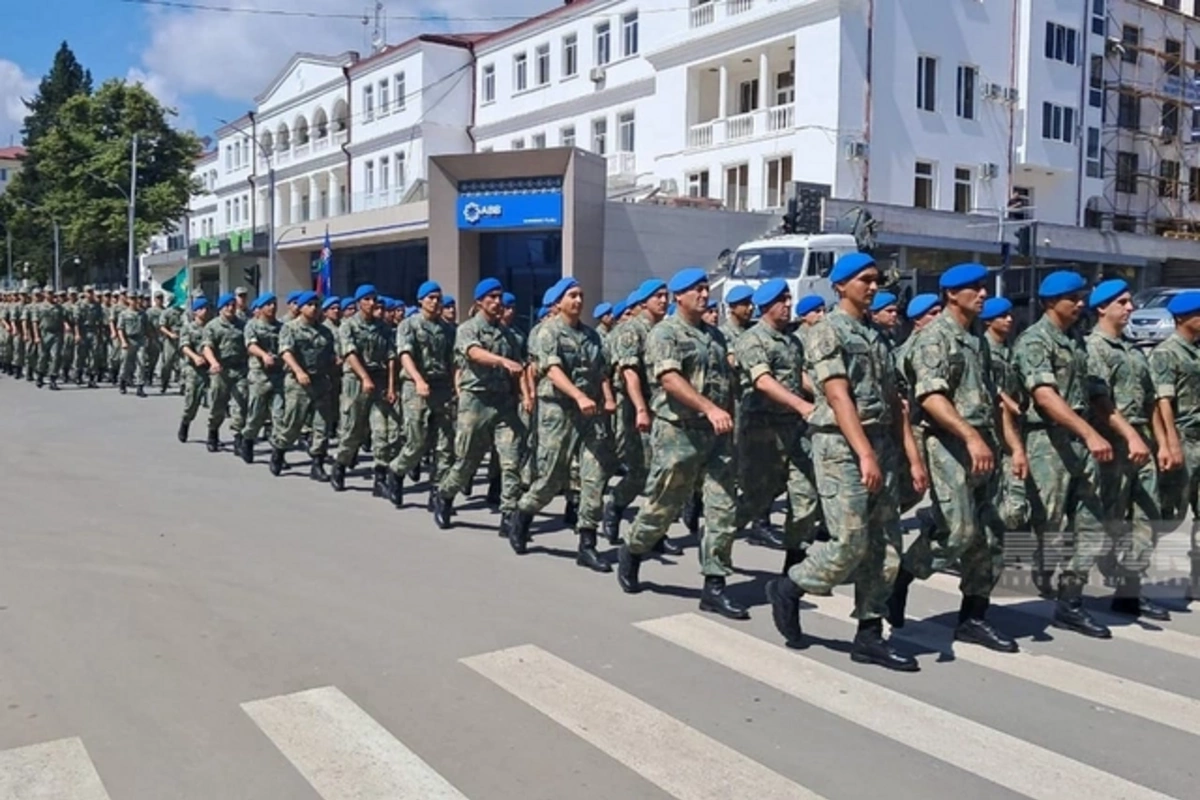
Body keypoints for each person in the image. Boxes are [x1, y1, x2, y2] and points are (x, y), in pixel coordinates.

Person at [765, 252, 922, 672]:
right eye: (863, 280)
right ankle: (790, 586)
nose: (872, 286)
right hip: (841, 447)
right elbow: (837, 395)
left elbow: (895, 402)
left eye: (875, 279)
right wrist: (864, 453)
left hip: (881, 444)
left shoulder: (877, 336)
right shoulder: (826, 331)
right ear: (840, 286)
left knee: (886, 545)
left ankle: (869, 635)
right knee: (849, 543)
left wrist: (912, 458)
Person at [887, 263, 1021, 653]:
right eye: (974, 288)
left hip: (983, 444)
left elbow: (993, 400)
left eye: (983, 287)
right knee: (958, 532)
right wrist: (971, 437)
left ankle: (973, 618)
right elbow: (931, 397)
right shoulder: (934, 338)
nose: (983, 294)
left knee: (990, 535)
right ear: (951, 294)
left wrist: (1013, 448)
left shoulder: (976, 340)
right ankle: (901, 577)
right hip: (948, 444)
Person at [617, 268, 746, 620]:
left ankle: (715, 586)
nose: (704, 295)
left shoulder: (715, 336)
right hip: (678, 433)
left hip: (716, 436)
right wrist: (709, 408)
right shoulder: (665, 333)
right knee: (664, 505)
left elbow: (726, 384)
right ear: (679, 297)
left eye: (706, 289)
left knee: (722, 508)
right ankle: (633, 549)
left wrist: (727, 418)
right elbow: (670, 380)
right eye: (696, 290)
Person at [1010, 270, 1115, 638]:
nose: (1081, 304)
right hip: (1046, 442)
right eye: (1074, 298)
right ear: (1052, 302)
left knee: (1091, 522)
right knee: (1046, 523)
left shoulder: (1075, 340)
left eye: (1082, 297)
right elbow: (1044, 397)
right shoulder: (1034, 341)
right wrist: (1089, 432)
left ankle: (1070, 604)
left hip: (1080, 442)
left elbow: (1092, 391)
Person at [509, 278, 616, 570]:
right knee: (551, 477)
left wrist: (607, 398)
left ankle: (587, 544)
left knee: (593, 476)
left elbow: (601, 372)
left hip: (589, 414)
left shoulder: (592, 337)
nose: (578, 300)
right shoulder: (548, 332)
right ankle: (522, 515)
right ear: (558, 302)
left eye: (581, 295)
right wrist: (578, 395)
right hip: (557, 411)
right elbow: (553, 370)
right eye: (572, 296)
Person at [1085, 279, 1169, 620]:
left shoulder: (1133, 350)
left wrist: (1162, 443)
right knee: (1109, 520)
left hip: (1140, 444)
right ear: (1102, 308)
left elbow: (1151, 401)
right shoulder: (1094, 348)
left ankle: (1129, 590)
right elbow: (1100, 401)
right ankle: (1070, 585)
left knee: (1148, 517)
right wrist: (1130, 436)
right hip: (1112, 446)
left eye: (1130, 302)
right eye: (1122, 302)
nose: (1130, 308)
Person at [732, 278, 820, 575]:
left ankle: (792, 571)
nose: (788, 304)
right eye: (782, 300)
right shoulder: (752, 340)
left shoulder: (792, 341)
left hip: (792, 429)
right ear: (766, 306)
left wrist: (822, 395)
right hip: (762, 431)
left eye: (788, 299)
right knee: (755, 500)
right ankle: (717, 541)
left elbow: (798, 375)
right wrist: (801, 405)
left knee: (806, 495)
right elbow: (763, 381)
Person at [432, 278, 528, 529]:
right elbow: (474, 352)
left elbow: (518, 369)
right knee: (467, 461)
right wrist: (501, 361)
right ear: (479, 301)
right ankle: (444, 495)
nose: (497, 302)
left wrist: (523, 396)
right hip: (476, 402)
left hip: (504, 403)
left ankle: (509, 515)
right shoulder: (468, 329)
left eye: (499, 297)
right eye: (492, 297)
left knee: (511, 460)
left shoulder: (510, 335)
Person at [386, 280, 456, 507]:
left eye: (438, 298)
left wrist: (456, 387)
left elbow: (453, 361)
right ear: (420, 301)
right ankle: (397, 472)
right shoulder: (409, 325)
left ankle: (438, 491)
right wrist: (418, 380)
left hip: (441, 387)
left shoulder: (448, 329)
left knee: (445, 445)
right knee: (417, 442)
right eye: (430, 298)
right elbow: (405, 355)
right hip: (415, 387)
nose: (435, 302)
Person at [1150, 290, 1200, 601]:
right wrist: (1170, 441)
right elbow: (1162, 401)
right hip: (1181, 438)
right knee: (1168, 515)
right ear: (1182, 318)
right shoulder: (1166, 353)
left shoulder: (1196, 351)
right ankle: (1128, 569)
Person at [329, 284, 397, 493]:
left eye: (373, 299)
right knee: (352, 430)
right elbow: (349, 354)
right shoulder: (348, 325)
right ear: (359, 303)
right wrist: (364, 377)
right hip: (355, 382)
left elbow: (391, 357)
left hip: (379, 381)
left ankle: (380, 477)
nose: (371, 303)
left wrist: (391, 386)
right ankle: (340, 465)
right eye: (366, 299)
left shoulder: (384, 328)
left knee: (382, 431)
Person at [270, 291, 338, 480]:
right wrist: (299, 371)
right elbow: (286, 352)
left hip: (321, 382)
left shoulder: (325, 331)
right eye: (310, 305)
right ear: (300, 307)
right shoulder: (290, 328)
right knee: (293, 424)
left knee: (322, 425)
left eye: (317, 305)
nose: (314, 308)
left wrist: (334, 361)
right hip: (298, 383)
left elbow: (330, 353)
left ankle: (317, 464)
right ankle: (279, 450)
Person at [201, 292, 250, 453]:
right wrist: (213, 362)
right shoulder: (213, 326)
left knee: (241, 404)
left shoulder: (243, 325)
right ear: (221, 308)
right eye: (227, 305)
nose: (230, 308)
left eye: (233, 305)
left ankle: (238, 438)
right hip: (221, 371)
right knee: (218, 405)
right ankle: (213, 433)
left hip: (240, 370)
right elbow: (207, 347)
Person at [241, 293, 285, 463]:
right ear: (260, 307)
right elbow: (250, 345)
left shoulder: (281, 327)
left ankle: (278, 453)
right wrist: (264, 355)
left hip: (278, 376)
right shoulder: (252, 325)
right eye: (268, 304)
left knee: (279, 415)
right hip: (259, 376)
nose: (272, 307)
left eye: (274, 304)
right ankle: (248, 440)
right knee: (256, 415)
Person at [177, 298, 211, 443]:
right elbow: (184, 346)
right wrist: (195, 357)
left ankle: (213, 434)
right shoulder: (188, 328)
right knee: (192, 402)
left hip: (210, 369)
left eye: (206, 308)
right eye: (201, 308)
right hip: (194, 369)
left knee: (216, 403)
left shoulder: (211, 327)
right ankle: (185, 422)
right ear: (195, 312)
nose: (205, 311)